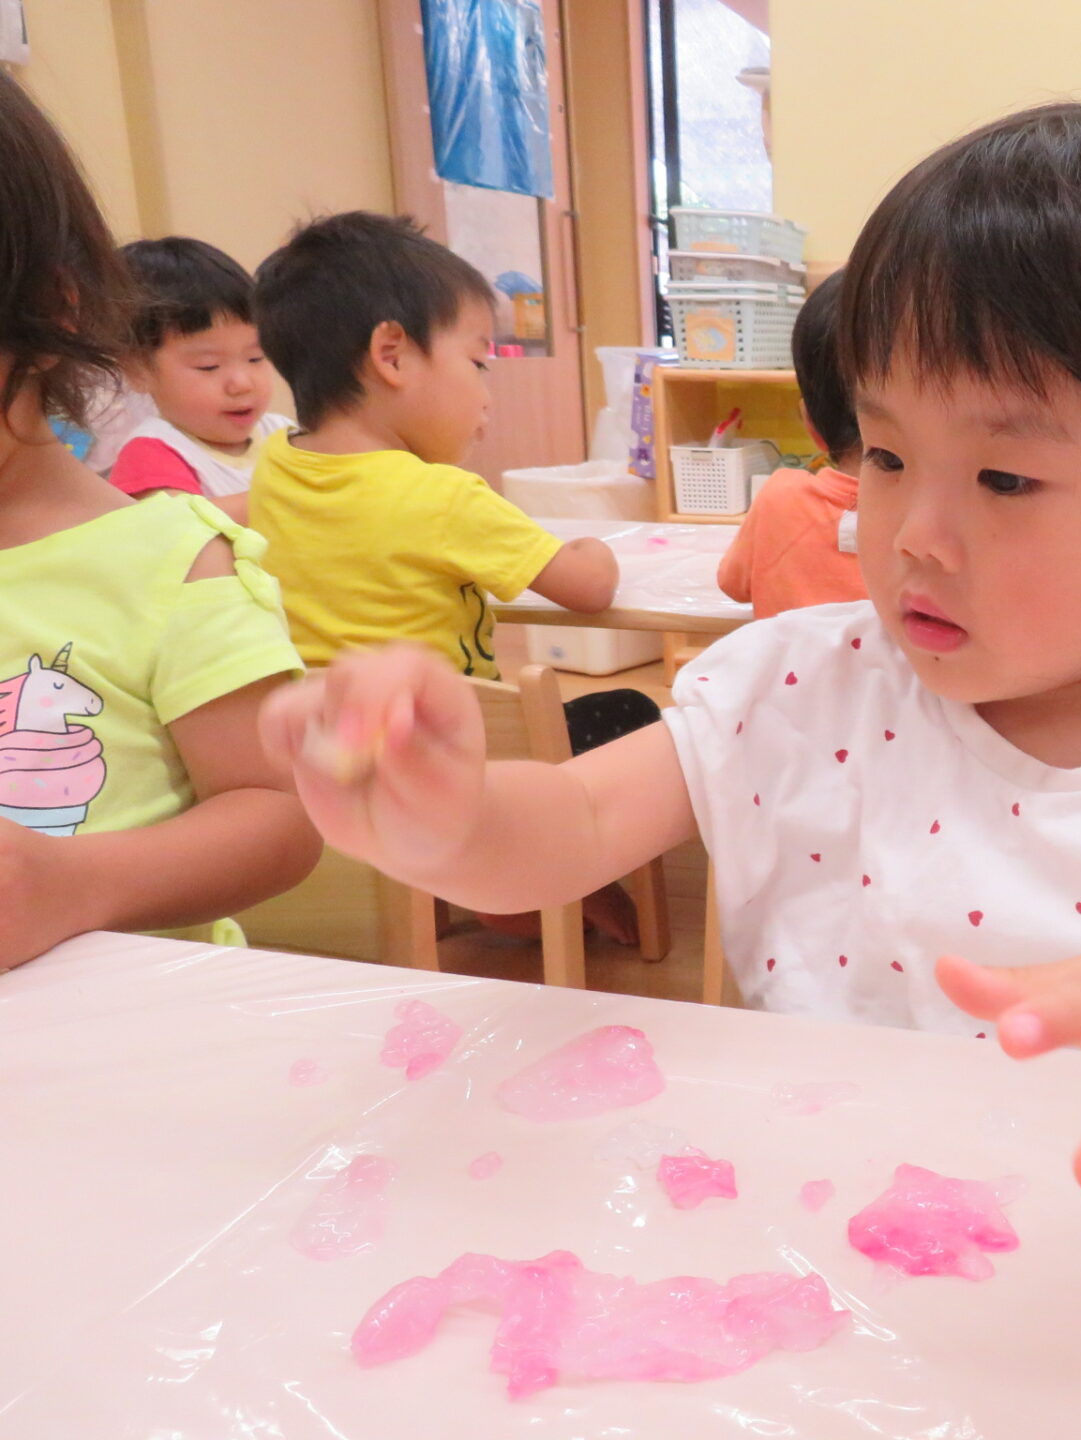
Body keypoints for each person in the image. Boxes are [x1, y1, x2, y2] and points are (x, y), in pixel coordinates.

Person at [262, 79, 1081, 1319]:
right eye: (890, 455)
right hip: (810, 1283)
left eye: (1005, 478)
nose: (911, 532)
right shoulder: (797, 690)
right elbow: (572, 827)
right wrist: (447, 814)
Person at [249, 211, 649, 943]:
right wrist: (599, 546)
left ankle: (438, 894)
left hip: (331, 748)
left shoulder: (275, 467)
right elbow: (589, 588)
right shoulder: (442, 495)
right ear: (392, 356)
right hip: (454, 752)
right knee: (631, 710)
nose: (486, 394)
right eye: (477, 362)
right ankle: (565, 886)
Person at [0, 71, 319, 969]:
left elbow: (282, 815)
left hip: (132, 1023)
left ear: (47, 314)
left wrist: (74, 884)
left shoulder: (171, 559)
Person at [108, 237, 294, 522]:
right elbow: (177, 524)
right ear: (139, 371)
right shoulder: (153, 451)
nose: (242, 383)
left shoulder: (283, 433)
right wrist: (291, 499)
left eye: (255, 358)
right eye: (209, 366)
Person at [717, 271, 868, 617]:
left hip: (786, 656)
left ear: (810, 423)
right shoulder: (941, 517)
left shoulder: (779, 498)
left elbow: (732, 582)